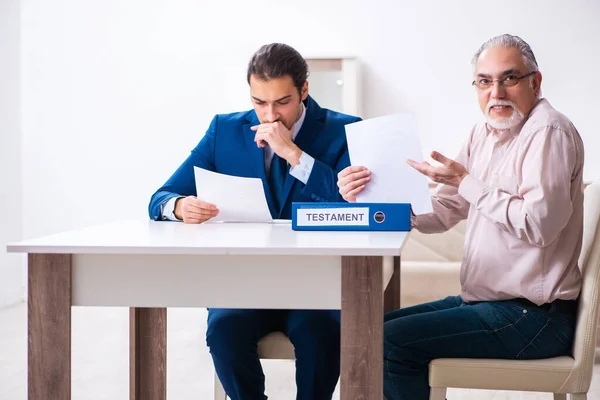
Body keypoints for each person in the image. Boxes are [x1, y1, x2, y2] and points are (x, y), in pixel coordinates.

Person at [337, 34, 585, 400]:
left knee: (387, 342)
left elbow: (539, 226)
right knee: (365, 330)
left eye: (509, 78)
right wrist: (375, 202)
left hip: (534, 317)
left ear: (535, 81)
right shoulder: (483, 133)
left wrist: (466, 182)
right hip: (490, 304)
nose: (496, 92)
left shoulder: (548, 132)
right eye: (485, 81)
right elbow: (447, 209)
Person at [149, 43, 360, 400]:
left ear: (304, 91)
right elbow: (161, 197)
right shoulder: (224, 130)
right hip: (245, 280)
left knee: (322, 333)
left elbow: (353, 208)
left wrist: (294, 154)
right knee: (223, 329)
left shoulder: (345, 131)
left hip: (315, 283)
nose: (269, 115)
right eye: (259, 102)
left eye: (282, 102)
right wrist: (181, 206)